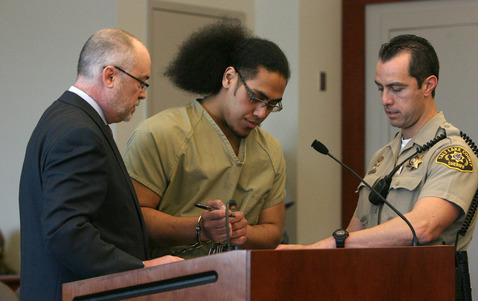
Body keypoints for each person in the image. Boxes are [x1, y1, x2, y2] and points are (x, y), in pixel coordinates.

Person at [18, 28, 183, 301]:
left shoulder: (62, 116)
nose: (142, 94)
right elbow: (66, 233)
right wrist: (142, 269)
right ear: (110, 75)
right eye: (141, 82)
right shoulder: (78, 132)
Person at [278, 34, 478, 252]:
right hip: (375, 283)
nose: (385, 99)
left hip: (426, 283)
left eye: (396, 88)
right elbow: (355, 237)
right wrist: (306, 253)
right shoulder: (383, 157)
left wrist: (331, 243)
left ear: (428, 85)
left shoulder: (452, 154)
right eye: (380, 88)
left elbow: (423, 227)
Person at [123, 19, 290, 258]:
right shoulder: (161, 134)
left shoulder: (270, 151)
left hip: (240, 283)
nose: (262, 113)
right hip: (171, 284)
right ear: (229, 77)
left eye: (272, 105)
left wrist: (243, 232)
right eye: (255, 97)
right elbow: (133, 219)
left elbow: (273, 231)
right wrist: (200, 227)